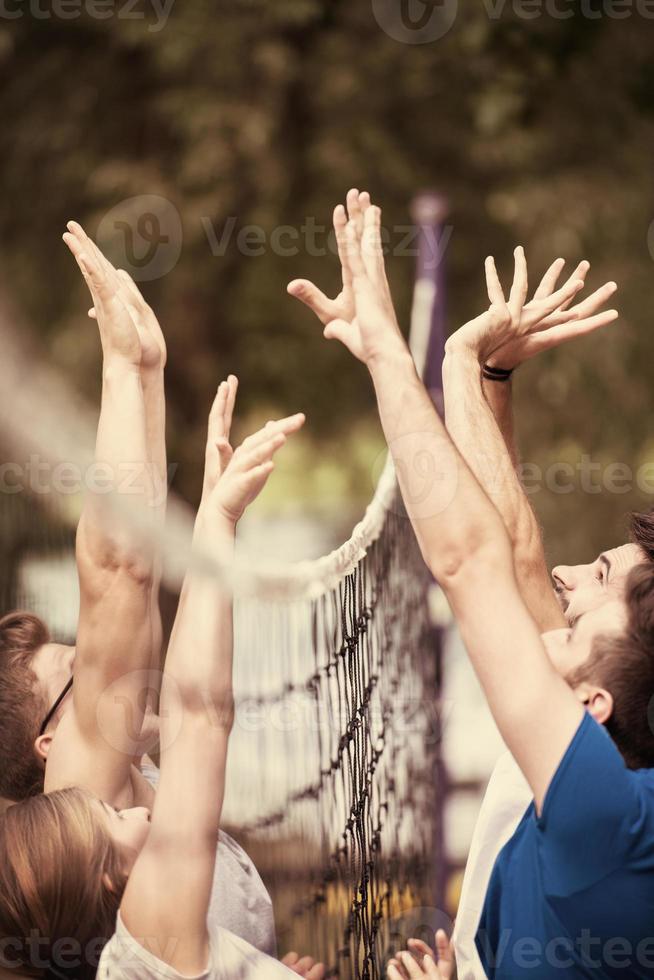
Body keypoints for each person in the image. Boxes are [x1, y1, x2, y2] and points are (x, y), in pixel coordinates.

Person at [290, 190, 654, 978]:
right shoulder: (613, 766)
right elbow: (515, 554)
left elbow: (470, 562)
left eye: (596, 582)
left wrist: (399, 354)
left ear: (594, 707)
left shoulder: (609, 820)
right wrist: (485, 374)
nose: (563, 576)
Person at [0, 226, 321, 975]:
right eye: (75, 677)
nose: (109, 658)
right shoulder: (87, 793)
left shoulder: (126, 808)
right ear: (50, 748)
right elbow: (118, 574)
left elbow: (131, 577)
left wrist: (146, 374)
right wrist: (122, 368)